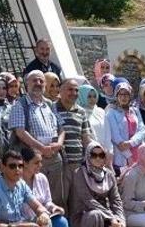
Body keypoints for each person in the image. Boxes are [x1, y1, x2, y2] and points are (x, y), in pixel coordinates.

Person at [10, 70, 67, 209]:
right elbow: (20, 132)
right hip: (33, 160)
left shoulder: (50, 104)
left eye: (41, 81)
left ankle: (57, 219)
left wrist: (59, 144)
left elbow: (61, 128)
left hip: (54, 157)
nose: (38, 83)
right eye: (34, 80)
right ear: (27, 84)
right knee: (35, 198)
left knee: (57, 197)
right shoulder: (20, 105)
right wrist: (41, 148)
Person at [0, 150, 54, 227]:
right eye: (12, 166)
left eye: (20, 166)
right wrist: (23, 226)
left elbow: (37, 206)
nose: (17, 169)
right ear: (3, 168)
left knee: (47, 223)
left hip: (16, 224)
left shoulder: (21, 184)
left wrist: (43, 214)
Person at [53, 78, 94, 208]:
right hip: (60, 165)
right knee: (60, 201)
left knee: (77, 202)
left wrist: (96, 153)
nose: (74, 93)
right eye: (70, 89)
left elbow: (86, 137)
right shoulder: (52, 109)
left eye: (76, 90)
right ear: (60, 90)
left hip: (78, 164)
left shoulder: (81, 111)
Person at [68, 141, 125, 227]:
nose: (98, 158)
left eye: (101, 155)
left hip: (106, 215)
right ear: (88, 156)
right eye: (94, 155)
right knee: (95, 215)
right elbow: (88, 200)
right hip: (84, 216)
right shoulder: (79, 173)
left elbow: (116, 200)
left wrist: (120, 219)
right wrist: (111, 217)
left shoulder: (109, 174)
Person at [21, 148, 69, 227]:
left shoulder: (42, 178)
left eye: (41, 162)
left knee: (61, 221)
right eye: (36, 163)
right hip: (23, 222)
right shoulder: (16, 182)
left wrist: (53, 207)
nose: (40, 165)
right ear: (25, 163)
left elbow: (47, 201)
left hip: (43, 218)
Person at [106, 82, 145, 176]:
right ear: (116, 96)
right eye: (121, 94)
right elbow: (116, 137)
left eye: (126, 94)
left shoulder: (135, 111)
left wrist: (131, 143)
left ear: (130, 96)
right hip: (122, 155)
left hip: (138, 150)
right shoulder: (111, 113)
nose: (123, 97)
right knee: (124, 181)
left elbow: (142, 130)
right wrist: (129, 156)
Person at [77, 85, 113, 165]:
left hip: (105, 152)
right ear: (82, 96)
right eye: (89, 96)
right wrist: (97, 149)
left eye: (94, 96)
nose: (92, 99)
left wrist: (109, 150)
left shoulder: (101, 111)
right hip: (90, 153)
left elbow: (107, 132)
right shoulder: (80, 113)